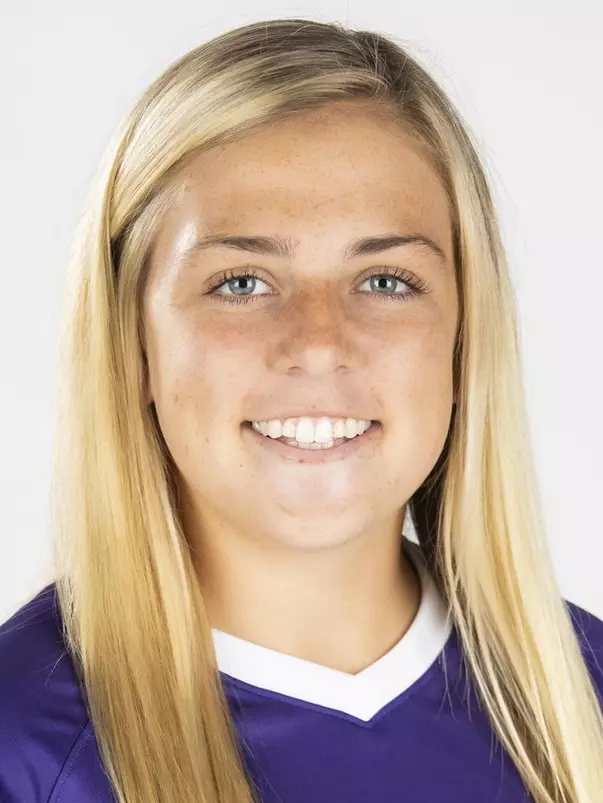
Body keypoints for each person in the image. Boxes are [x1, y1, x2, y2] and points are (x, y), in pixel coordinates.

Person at [1, 17, 602, 803]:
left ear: (465, 335)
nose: (318, 342)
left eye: (385, 280)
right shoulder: (24, 749)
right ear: (130, 339)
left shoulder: (580, 697)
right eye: (241, 281)